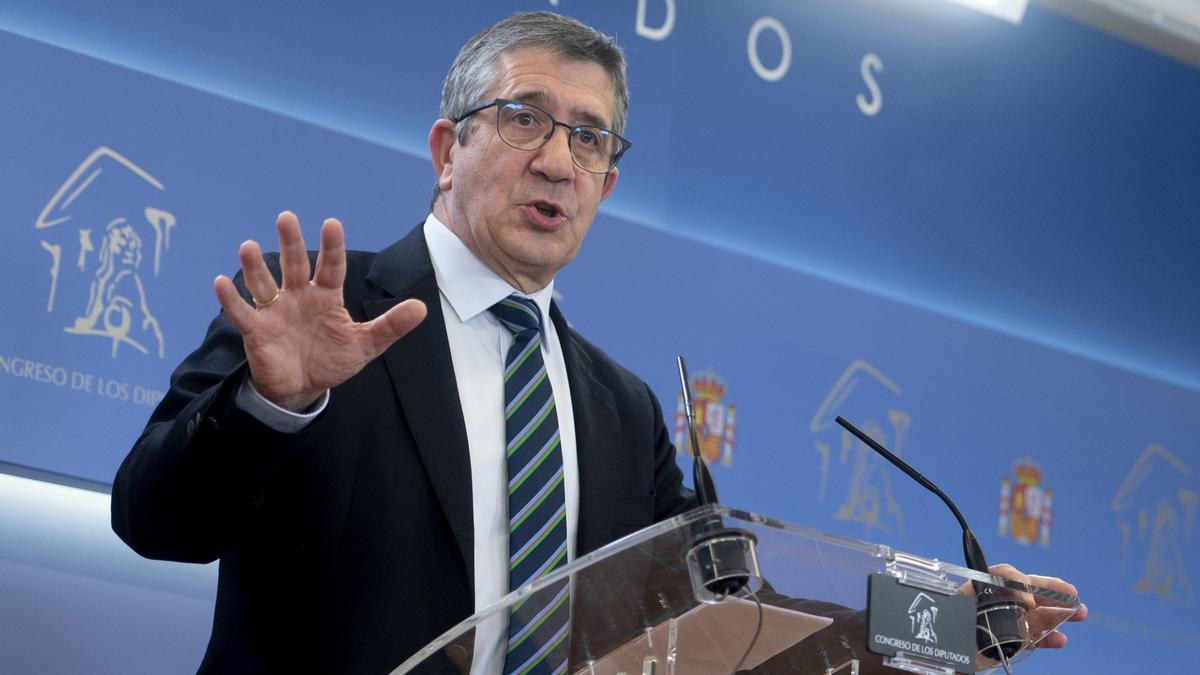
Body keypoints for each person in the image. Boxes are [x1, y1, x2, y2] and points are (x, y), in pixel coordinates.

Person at [111, 11, 1084, 674]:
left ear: (607, 186)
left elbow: (733, 616)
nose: (557, 158)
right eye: (525, 117)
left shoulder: (619, 407)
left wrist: (963, 623)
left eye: (590, 138)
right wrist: (272, 407)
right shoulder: (320, 311)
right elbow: (157, 523)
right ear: (449, 150)